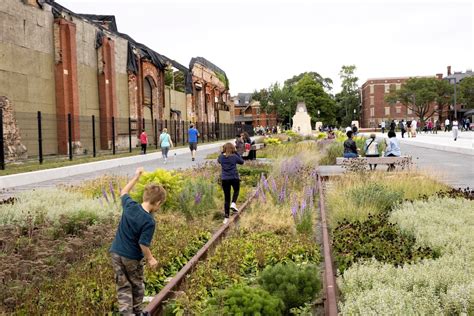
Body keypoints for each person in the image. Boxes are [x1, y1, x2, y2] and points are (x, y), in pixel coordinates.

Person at [110, 167, 166, 315]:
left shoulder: (130, 205)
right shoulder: (149, 221)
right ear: (158, 202)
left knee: (123, 287)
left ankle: (126, 313)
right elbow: (143, 243)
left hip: (116, 253)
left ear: (144, 197)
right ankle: (138, 312)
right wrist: (150, 258)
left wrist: (136, 177)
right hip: (132, 258)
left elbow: (123, 192)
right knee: (136, 286)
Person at [218, 143, 244, 224]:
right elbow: (242, 162)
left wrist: (222, 152)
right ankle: (233, 203)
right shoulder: (234, 156)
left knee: (226, 198)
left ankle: (226, 217)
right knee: (236, 191)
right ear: (233, 148)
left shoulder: (221, 157)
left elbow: (219, 160)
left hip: (225, 179)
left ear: (224, 149)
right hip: (234, 178)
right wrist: (236, 152)